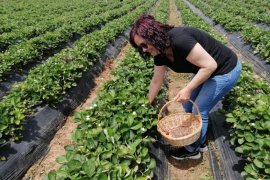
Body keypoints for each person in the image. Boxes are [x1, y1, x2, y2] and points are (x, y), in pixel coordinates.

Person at [129, 14, 241, 160]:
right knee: (188, 106)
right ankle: (199, 136)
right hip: (204, 70)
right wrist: (146, 104)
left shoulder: (180, 40)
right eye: (140, 48)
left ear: (153, 35)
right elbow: (157, 81)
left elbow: (210, 65)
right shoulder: (159, 53)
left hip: (224, 69)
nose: (144, 50)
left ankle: (193, 149)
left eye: (144, 44)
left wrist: (187, 89)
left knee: (198, 110)